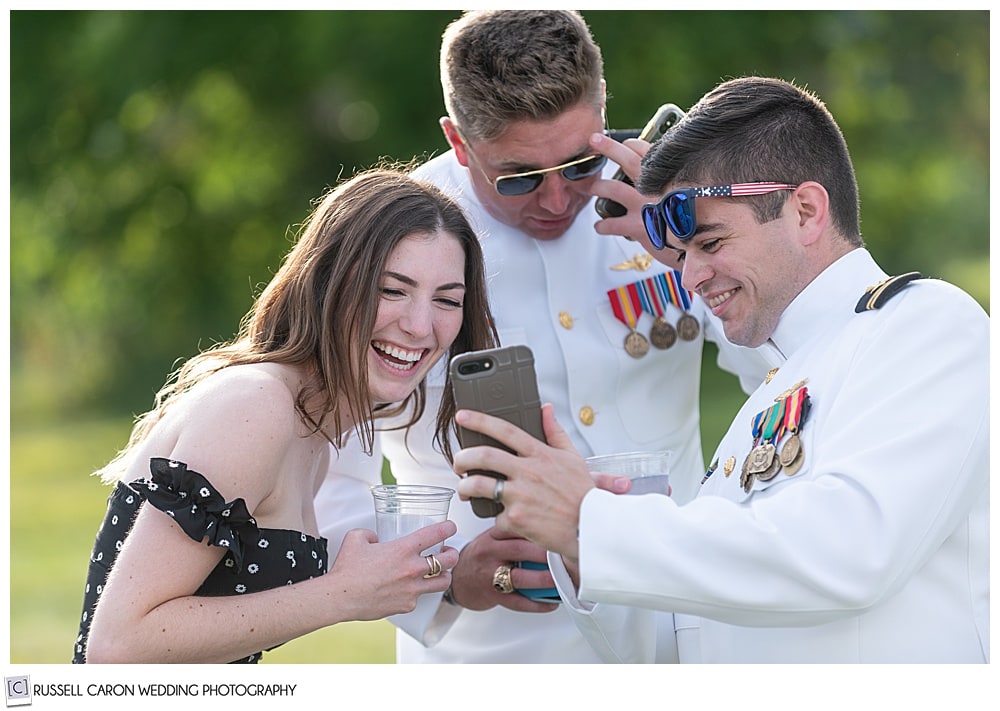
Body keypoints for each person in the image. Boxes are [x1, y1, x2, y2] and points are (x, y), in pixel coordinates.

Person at [453, 76, 989, 663]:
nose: (687, 278)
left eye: (709, 241)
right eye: (679, 254)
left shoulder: (924, 322)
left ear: (806, 210)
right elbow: (688, 641)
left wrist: (590, 521)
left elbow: (853, 552)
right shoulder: (772, 391)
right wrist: (578, 550)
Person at [316, 11, 773, 664]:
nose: (559, 199)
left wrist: (690, 247)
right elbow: (329, 470)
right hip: (494, 650)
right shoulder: (389, 240)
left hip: (678, 629)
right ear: (459, 139)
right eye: (519, 177)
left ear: (603, 106)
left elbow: (781, 375)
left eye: (581, 163)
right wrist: (441, 585)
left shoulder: (669, 204)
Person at [72, 167, 499, 664]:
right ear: (329, 282)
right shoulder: (255, 408)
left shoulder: (315, 427)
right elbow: (118, 646)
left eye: (447, 300)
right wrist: (343, 595)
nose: (420, 325)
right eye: (392, 290)